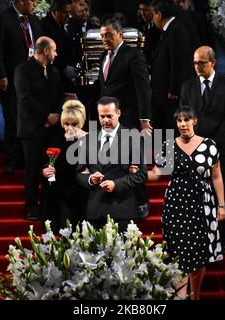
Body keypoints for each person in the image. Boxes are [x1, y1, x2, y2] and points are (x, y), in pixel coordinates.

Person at [147, 105, 225, 300]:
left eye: (186, 120)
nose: (182, 124)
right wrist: (137, 173)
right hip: (176, 204)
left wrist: (221, 205)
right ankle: (182, 296)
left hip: (202, 205)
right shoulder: (168, 146)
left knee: (199, 253)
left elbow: (216, 177)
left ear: (194, 121)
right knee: (180, 252)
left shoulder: (209, 145)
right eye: (179, 120)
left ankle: (195, 295)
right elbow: (157, 174)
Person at [179, 45, 225, 254]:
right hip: (194, 149)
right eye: (194, 63)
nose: (197, 67)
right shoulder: (187, 87)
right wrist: (195, 144)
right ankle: (199, 241)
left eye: (201, 63)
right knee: (195, 197)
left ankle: (222, 240)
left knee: (220, 195)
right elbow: (184, 117)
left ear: (212, 63)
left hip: (220, 148)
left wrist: (211, 146)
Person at [97, 19, 152, 216]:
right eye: (102, 35)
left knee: (133, 162)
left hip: (128, 118)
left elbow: (143, 88)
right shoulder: (104, 55)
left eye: (109, 35)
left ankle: (142, 201)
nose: (105, 39)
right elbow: (102, 87)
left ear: (120, 35)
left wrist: (144, 119)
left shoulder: (134, 54)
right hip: (109, 122)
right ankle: (120, 199)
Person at [76, 96, 147, 232]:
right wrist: (90, 179)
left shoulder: (133, 138)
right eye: (102, 116)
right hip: (95, 212)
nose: (105, 120)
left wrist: (116, 184)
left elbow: (141, 174)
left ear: (119, 113)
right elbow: (79, 173)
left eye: (109, 116)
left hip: (122, 211)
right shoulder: (88, 139)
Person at [0, 0, 44, 174]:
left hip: (34, 79)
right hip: (12, 78)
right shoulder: (2, 19)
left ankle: (29, 158)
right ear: (21, 1)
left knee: (33, 119)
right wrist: (1, 74)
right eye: (32, 1)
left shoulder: (34, 21)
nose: (35, 4)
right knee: (13, 119)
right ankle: (12, 159)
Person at [15, 36, 65, 220]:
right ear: (45, 51)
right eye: (54, 50)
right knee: (33, 168)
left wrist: (56, 116)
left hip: (52, 128)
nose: (56, 54)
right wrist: (46, 116)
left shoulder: (54, 71)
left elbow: (60, 96)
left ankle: (47, 206)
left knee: (50, 167)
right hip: (32, 128)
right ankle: (30, 206)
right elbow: (25, 99)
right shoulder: (23, 70)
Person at [42, 99, 89, 230]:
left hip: (83, 193)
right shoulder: (55, 138)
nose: (69, 128)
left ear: (81, 123)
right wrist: (45, 170)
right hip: (61, 193)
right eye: (66, 124)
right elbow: (46, 162)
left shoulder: (90, 139)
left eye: (74, 124)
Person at [150, 0, 193, 130]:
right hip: (163, 91)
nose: (152, 19)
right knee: (161, 126)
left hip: (170, 93)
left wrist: (173, 89)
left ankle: (169, 151)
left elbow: (178, 61)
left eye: (153, 14)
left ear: (159, 14)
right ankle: (162, 150)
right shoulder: (170, 29)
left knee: (169, 126)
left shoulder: (176, 29)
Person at [41, 0, 75, 93]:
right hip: (53, 73)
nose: (69, 16)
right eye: (65, 13)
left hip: (67, 71)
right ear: (55, 11)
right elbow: (47, 53)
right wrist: (64, 68)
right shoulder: (44, 26)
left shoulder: (68, 23)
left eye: (70, 12)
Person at [137, 0, 161, 66]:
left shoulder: (160, 27)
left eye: (146, 10)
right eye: (140, 10)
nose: (142, 13)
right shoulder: (141, 25)